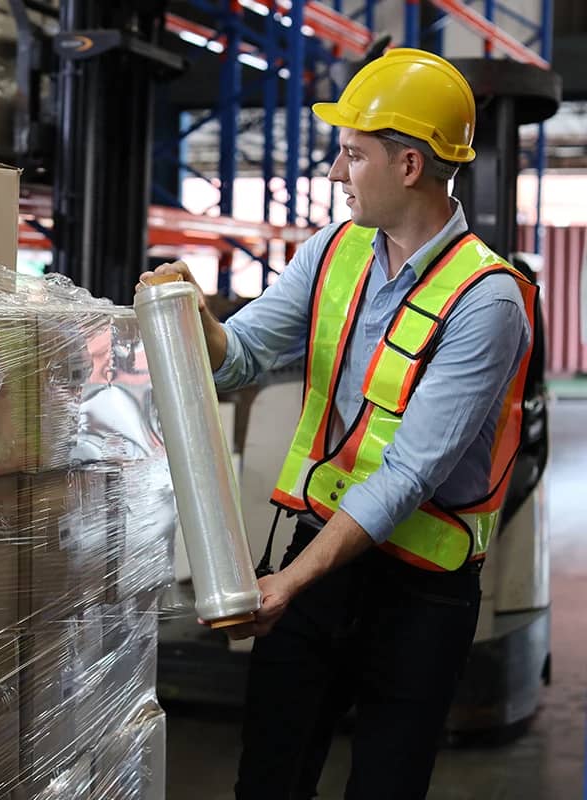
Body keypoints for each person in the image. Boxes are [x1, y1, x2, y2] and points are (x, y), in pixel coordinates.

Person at [138, 48, 537, 799]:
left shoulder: (488, 301)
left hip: (421, 594)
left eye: (352, 154)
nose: (333, 172)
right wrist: (201, 319)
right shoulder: (335, 251)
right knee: (269, 778)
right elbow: (245, 353)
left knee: (384, 787)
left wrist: (286, 584)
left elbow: (407, 474)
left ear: (409, 166)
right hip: (317, 555)